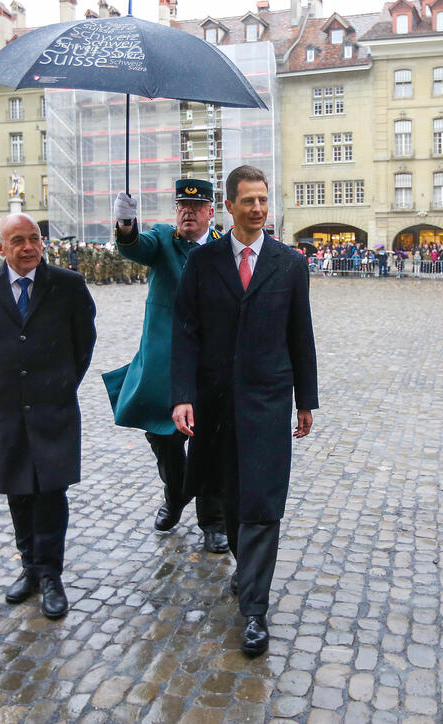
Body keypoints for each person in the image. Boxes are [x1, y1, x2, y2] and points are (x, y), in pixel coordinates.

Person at [172, 165, 318, 656]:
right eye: (248, 201)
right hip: (214, 405)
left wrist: (306, 400)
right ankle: (247, 569)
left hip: (267, 403)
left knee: (261, 502)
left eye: (263, 200)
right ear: (229, 206)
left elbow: (301, 336)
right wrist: (182, 394)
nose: (258, 209)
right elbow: (186, 332)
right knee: (230, 499)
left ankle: (254, 607)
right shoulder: (204, 262)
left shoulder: (289, 264)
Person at [0, 213, 96, 619]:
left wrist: (59, 382)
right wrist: (8, 380)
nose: (28, 247)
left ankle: (52, 574)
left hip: (53, 406)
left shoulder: (67, 285)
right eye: (17, 241)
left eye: (34, 238)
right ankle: (30, 569)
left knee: (51, 491)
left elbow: (83, 342)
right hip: (6, 408)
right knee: (18, 490)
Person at [107, 179, 229, 551]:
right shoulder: (162, 239)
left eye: (195, 207)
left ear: (211, 212)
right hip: (162, 365)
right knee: (164, 439)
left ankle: (213, 521)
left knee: (209, 444)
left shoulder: (225, 249)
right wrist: (126, 224)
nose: (187, 212)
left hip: (207, 367)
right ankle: (175, 495)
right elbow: (132, 247)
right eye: (181, 206)